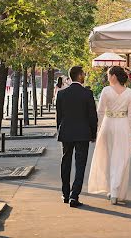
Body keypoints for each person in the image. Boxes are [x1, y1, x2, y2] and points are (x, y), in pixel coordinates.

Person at [88, 65, 131, 205]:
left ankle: (113, 190)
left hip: (108, 125)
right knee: (121, 158)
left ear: (114, 76)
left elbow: (100, 112)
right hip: (123, 126)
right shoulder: (129, 93)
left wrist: (97, 129)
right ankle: (116, 192)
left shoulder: (106, 91)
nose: (107, 77)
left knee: (109, 157)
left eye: (108, 75)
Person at [56, 65, 97, 208]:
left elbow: (59, 117)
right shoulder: (87, 94)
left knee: (65, 162)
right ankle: (74, 195)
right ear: (79, 76)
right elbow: (93, 116)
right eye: (84, 74)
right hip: (83, 133)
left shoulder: (61, 94)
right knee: (80, 165)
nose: (85, 76)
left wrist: (59, 131)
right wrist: (93, 134)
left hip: (66, 133)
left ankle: (65, 193)